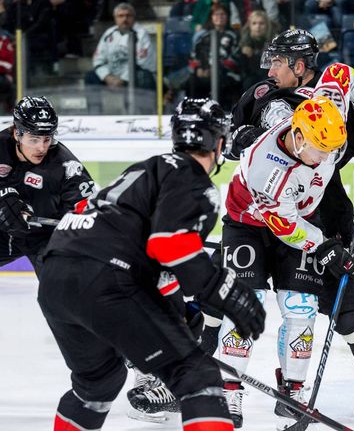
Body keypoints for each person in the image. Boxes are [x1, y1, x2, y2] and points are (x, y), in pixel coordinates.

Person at [36, 97, 266, 431]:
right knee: (197, 375)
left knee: (97, 383)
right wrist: (227, 292)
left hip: (56, 278)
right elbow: (170, 245)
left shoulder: (144, 168)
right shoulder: (194, 182)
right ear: (218, 142)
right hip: (105, 277)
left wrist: (173, 315)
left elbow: (149, 255)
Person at [214, 29, 354, 429]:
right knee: (225, 303)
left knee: (349, 313)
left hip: (321, 217)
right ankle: (192, 383)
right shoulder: (258, 99)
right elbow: (228, 143)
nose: (269, 68)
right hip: (260, 215)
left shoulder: (331, 107)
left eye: (278, 61)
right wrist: (239, 140)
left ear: (299, 66)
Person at [0, 96, 95, 275]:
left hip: (45, 238)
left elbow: (87, 208)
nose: (41, 148)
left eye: (47, 139)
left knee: (60, 286)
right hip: (4, 234)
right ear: (16, 133)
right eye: (34, 139)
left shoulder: (66, 165)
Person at [84, 2, 156, 91]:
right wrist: (107, 77)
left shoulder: (141, 33)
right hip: (112, 75)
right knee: (90, 76)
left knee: (143, 75)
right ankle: (95, 105)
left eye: (128, 15)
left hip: (132, 74)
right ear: (115, 18)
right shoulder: (108, 33)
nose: (125, 19)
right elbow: (98, 60)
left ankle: (141, 104)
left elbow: (142, 62)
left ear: (133, 17)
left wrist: (123, 79)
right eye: (120, 16)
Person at [186, 4, 241, 109]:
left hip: (226, 74)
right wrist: (198, 68)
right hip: (204, 73)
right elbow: (193, 56)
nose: (219, 17)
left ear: (227, 17)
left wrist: (215, 70)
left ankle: (221, 112)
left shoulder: (234, 36)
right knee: (192, 81)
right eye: (216, 14)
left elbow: (235, 58)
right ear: (211, 17)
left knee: (222, 82)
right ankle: (194, 111)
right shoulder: (202, 37)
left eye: (222, 14)